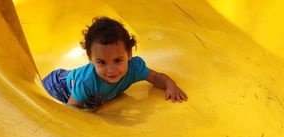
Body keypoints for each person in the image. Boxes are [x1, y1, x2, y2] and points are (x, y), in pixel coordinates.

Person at [42, 16, 188, 109]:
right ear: (90, 59)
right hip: (59, 88)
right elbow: (72, 109)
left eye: (118, 60)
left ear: (129, 54)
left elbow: (156, 77)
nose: (111, 69)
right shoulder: (87, 81)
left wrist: (171, 85)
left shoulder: (134, 68)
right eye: (101, 62)